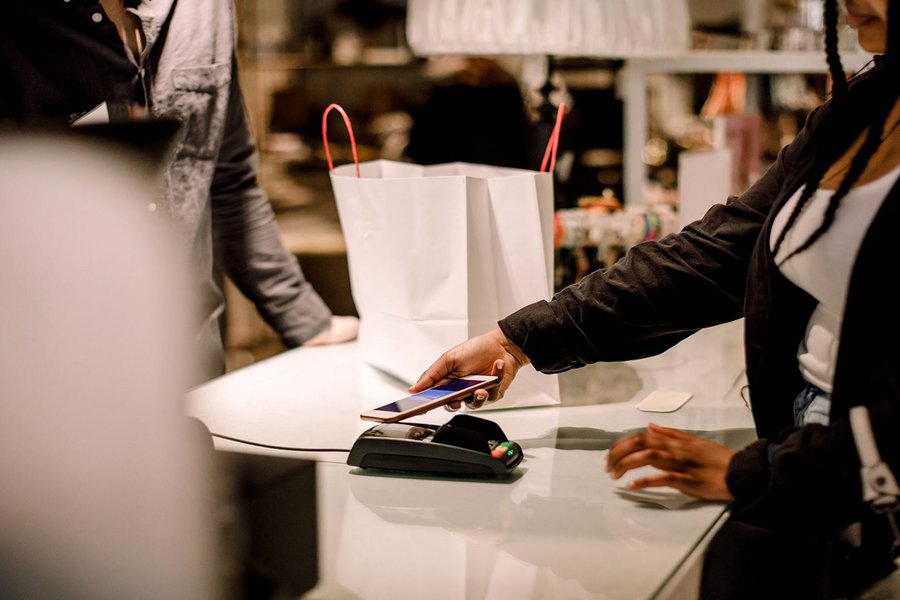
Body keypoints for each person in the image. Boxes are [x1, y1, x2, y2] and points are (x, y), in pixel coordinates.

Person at [411, 0, 900, 596]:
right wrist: (520, 337)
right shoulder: (866, 102)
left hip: (854, 472)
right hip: (812, 447)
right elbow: (719, 254)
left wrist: (769, 473)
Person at [0, 0, 358, 382]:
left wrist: (302, 317)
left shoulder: (204, 8)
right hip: (53, 372)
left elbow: (227, 176)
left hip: (194, 364)